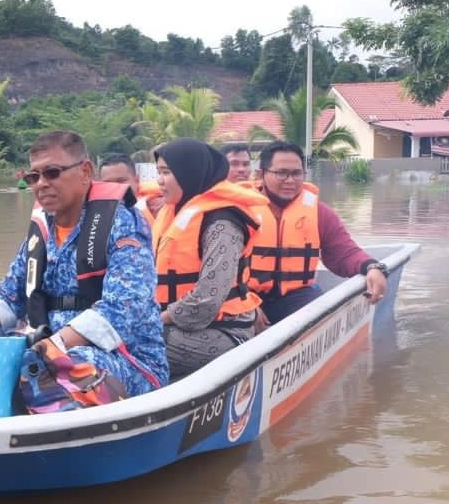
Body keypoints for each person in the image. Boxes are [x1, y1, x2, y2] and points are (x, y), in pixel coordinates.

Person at [0, 131, 167, 412]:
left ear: (85, 172)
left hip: (129, 361)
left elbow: (123, 309)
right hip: (45, 352)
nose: (41, 184)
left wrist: (53, 346)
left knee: (70, 365)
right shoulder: (42, 230)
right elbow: (11, 295)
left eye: (52, 173)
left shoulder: (123, 222)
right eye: (33, 177)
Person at [152, 139, 270, 379]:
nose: (159, 181)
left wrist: (151, 322)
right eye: (158, 173)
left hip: (223, 332)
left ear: (188, 172)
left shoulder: (222, 223)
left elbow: (206, 301)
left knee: (133, 344)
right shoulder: (173, 212)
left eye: (166, 172)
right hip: (174, 324)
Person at [250, 141, 389, 326]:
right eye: (281, 173)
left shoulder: (319, 213)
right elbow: (220, 268)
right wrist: (242, 302)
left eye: (296, 173)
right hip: (246, 296)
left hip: (297, 296)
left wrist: (373, 267)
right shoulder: (237, 212)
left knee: (320, 316)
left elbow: (344, 253)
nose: (290, 180)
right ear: (261, 174)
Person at [99, 153, 154, 231]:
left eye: (121, 181)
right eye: (108, 183)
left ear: (136, 181)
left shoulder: (156, 208)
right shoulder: (93, 218)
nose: (115, 187)